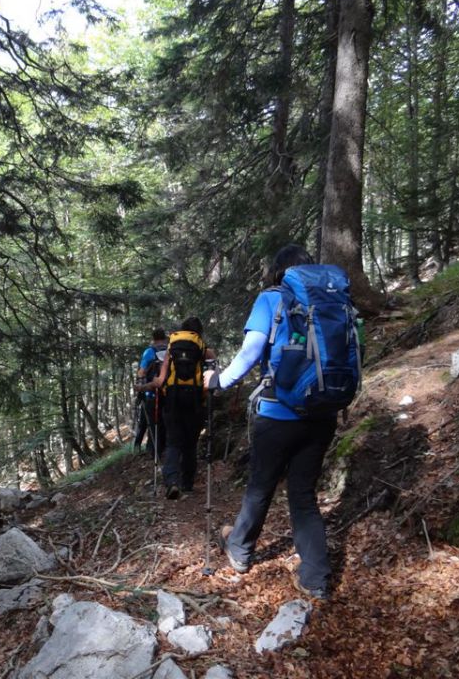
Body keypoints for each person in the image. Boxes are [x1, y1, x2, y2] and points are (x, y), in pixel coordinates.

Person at [203, 244, 339, 600]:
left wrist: (220, 381)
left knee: (260, 486)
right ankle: (315, 578)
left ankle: (240, 549)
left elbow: (250, 352)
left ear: (279, 272)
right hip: (322, 412)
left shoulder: (270, 299)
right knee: (303, 495)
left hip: (278, 414)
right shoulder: (330, 301)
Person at [141, 317, 216, 500]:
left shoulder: (171, 347)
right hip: (195, 400)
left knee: (173, 442)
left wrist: (149, 385)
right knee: (190, 443)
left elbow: (161, 379)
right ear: (199, 331)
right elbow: (213, 376)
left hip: (173, 399)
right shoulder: (203, 348)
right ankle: (187, 483)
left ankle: (172, 482)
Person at [133, 328, 169, 457]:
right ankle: (166, 448)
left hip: (152, 393)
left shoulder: (150, 352)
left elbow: (142, 372)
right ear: (164, 338)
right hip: (169, 392)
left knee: (154, 424)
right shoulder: (170, 350)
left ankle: (155, 451)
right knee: (166, 422)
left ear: (153, 339)